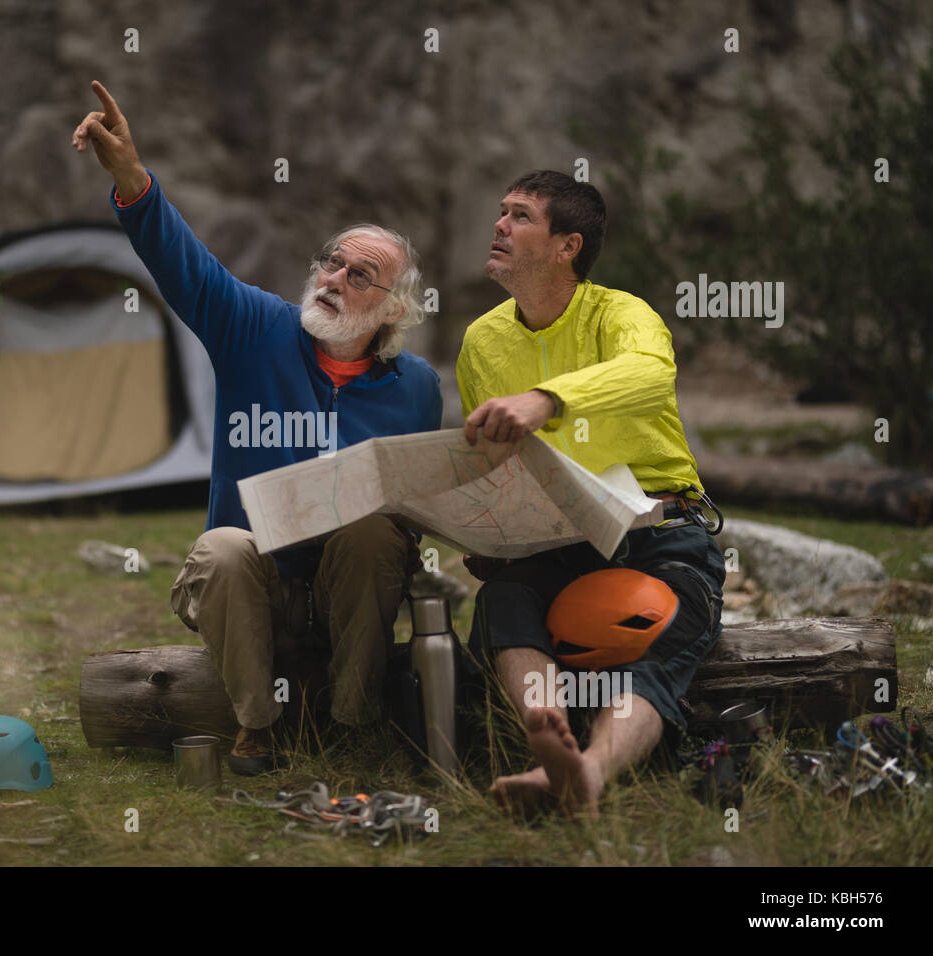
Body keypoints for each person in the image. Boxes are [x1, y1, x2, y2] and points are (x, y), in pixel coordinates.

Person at [72, 82, 442, 775]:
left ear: (393, 310)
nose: (335, 276)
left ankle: (353, 719)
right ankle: (255, 727)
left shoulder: (417, 387)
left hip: (347, 592)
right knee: (220, 546)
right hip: (255, 585)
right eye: (332, 260)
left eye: (361, 274)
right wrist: (130, 177)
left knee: (372, 530)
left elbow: (409, 517)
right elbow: (186, 269)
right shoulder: (256, 329)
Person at [456, 170, 725, 814]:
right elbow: (495, 466)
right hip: (555, 538)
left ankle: (587, 773)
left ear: (566, 246)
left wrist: (546, 400)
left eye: (519, 215)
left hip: (661, 529)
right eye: (501, 211)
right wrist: (490, 534)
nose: (499, 224)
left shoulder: (623, 314)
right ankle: (548, 732)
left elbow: (649, 375)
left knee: (660, 633)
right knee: (504, 599)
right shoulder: (480, 341)